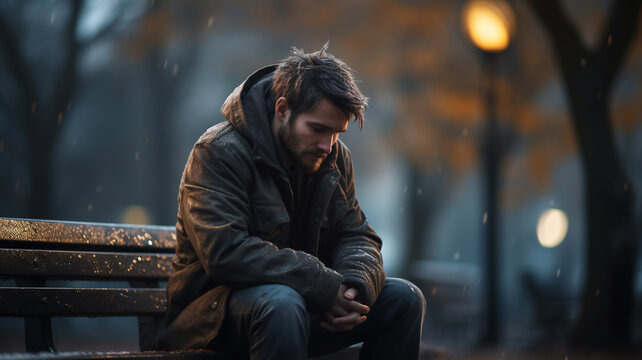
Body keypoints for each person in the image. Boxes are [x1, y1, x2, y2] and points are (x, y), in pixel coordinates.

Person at [157, 44, 426, 360]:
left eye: (337, 133)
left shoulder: (334, 159)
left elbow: (357, 236)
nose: (328, 145)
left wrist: (353, 290)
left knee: (404, 299)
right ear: (282, 109)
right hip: (211, 319)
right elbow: (225, 252)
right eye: (318, 129)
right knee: (282, 303)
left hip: (297, 308)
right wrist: (320, 284)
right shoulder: (218, 152)